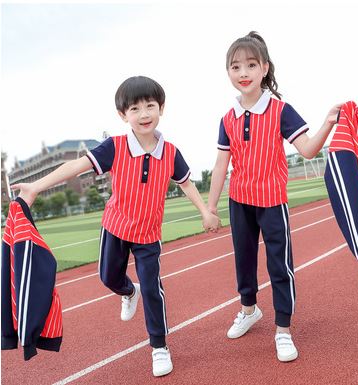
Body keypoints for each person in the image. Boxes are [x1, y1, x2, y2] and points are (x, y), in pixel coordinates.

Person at [11, 75, 220, 377]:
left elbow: (186, 183)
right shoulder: (115, 146)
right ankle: (127, 291)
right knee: (108, 277)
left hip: (148, 234)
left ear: (161, 108)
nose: (144, 114)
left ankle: (159, 346)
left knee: (152, 288)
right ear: (123, 115)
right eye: (135, 109)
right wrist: (36, 187)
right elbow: (75, 166)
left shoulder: (171, 152)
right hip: (116, 226)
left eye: (150, 106)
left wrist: (205, 211)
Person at [207, 31, 341, 362]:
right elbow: (221, 165)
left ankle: (283, 329)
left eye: (251, 65)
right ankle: (249, 310)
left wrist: (327, 123)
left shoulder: (281, 111)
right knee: (244, 262)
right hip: (239, 201)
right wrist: (210, 207)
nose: (243, 73)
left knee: (279, 265)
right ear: (228, 73)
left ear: (265, 68)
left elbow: (308, 150)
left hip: (271, 201)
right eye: (236, 67)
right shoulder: (227, 119)